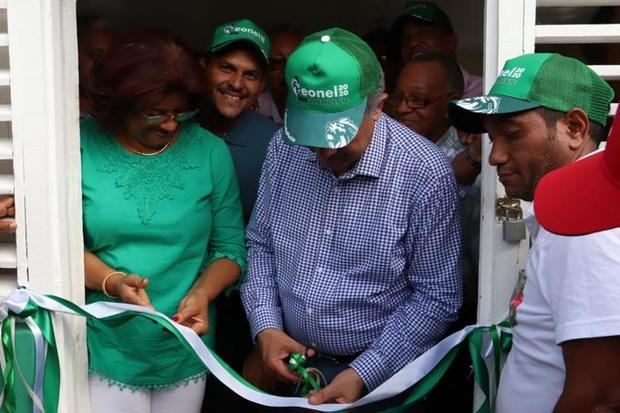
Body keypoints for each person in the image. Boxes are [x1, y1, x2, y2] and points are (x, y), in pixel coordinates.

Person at [241, 28, 462, 405]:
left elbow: (437, 296)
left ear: (378, 107)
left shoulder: (425, 173)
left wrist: (365, 372)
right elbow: (260, 245)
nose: (324, 154)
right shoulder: (284, 149)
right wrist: (266, 327)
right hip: (290, 366)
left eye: (339, 137)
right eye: (312, 136)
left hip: (379, 377)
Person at [82, 30, 246, 413]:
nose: (171, 125)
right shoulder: (78, 145)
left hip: (184, 345)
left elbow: (230, 249)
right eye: (155, 112)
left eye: (180, 112)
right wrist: (114, 281)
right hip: (104, 343)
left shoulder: (210, 152)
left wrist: (202, 295)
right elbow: (59, 246)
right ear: (121, 102)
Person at [447, 52, 615, 412]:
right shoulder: (566, 217)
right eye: (492, 139)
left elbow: (600, 398)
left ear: (574, 128)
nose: (495, 157)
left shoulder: (584, 227)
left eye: (512, 135)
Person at [198, 18, 280, 222]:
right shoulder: (173, 126)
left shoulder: (276, 146)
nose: (236, 83)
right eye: (227, 68)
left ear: (262, 85)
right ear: (203, 67)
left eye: (250, 75)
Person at [392, 1, 482, 98]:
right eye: (405, 39)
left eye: (423, 34)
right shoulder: (398, 103)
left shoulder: (484, 93)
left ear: (451, 42)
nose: (412, 43)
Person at [257, 28, 303, 124]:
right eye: (277, 62)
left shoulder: (327, 108)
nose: (287, 70)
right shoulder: (253, 109)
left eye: (296, 62)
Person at [77, 16, 114, 117]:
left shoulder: (116, 108)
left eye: (108, 58)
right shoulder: (56, 105)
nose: (102, 64)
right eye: (95, 56)